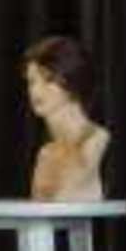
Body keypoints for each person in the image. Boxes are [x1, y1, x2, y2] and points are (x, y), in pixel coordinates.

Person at [21, 34, 109, 203]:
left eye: (48, 80)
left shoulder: (95, 142)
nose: (35, 91)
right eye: (32, 81)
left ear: (71, 81)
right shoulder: (46, 154)